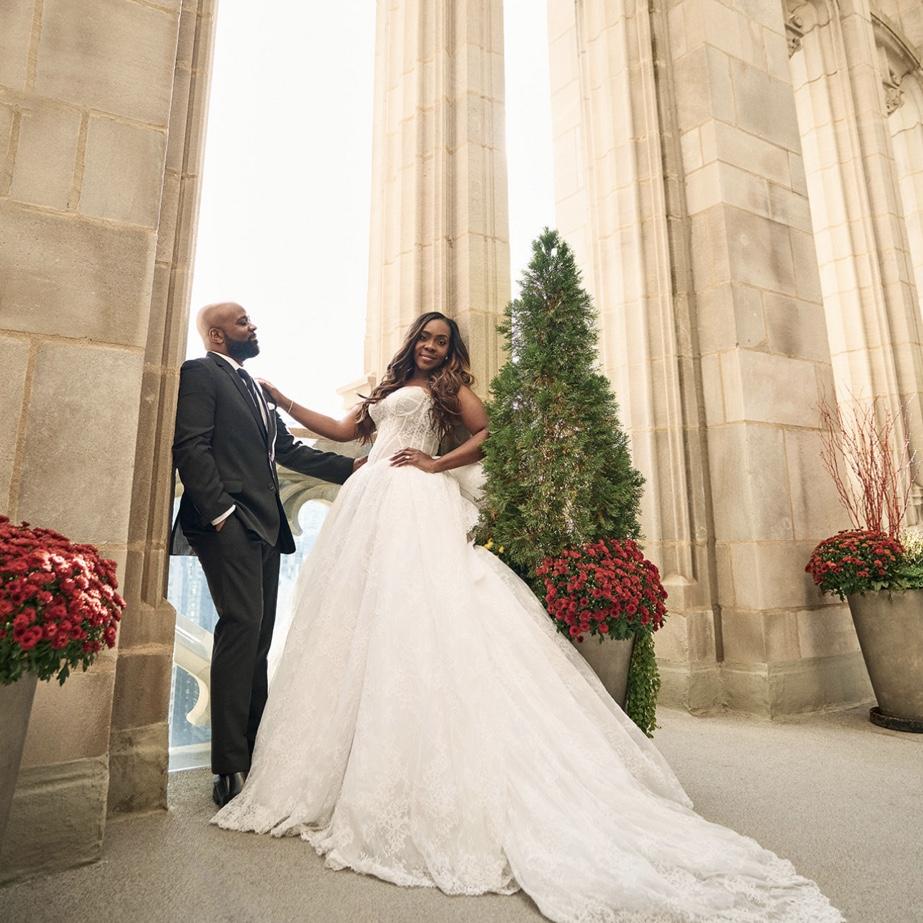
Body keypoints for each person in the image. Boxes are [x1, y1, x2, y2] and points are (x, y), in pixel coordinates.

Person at [213, 312, 842, 921]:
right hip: (370, 499)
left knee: (419, 615)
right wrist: (283, 400)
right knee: (360, 621)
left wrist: (436, 463)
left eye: (442, 340)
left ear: (450, 350)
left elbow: (491, 433)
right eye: (425, 337)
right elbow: (344, 430)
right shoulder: (389, 384)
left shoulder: (449, 388)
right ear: (413, 341)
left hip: (415, 499)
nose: (431, 346)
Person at [172, 302, 361, 808]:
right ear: (216, 335)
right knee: (241, 628)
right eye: (242, 322)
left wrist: (355, 469)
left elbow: (289, 452)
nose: (252, 326)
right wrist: (221, 515)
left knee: (257, 638)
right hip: (228, 525)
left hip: (267, 526)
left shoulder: (255, 388)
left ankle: (256, 753)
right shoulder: (200, 373)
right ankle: (228, 767)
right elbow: (191, 446)